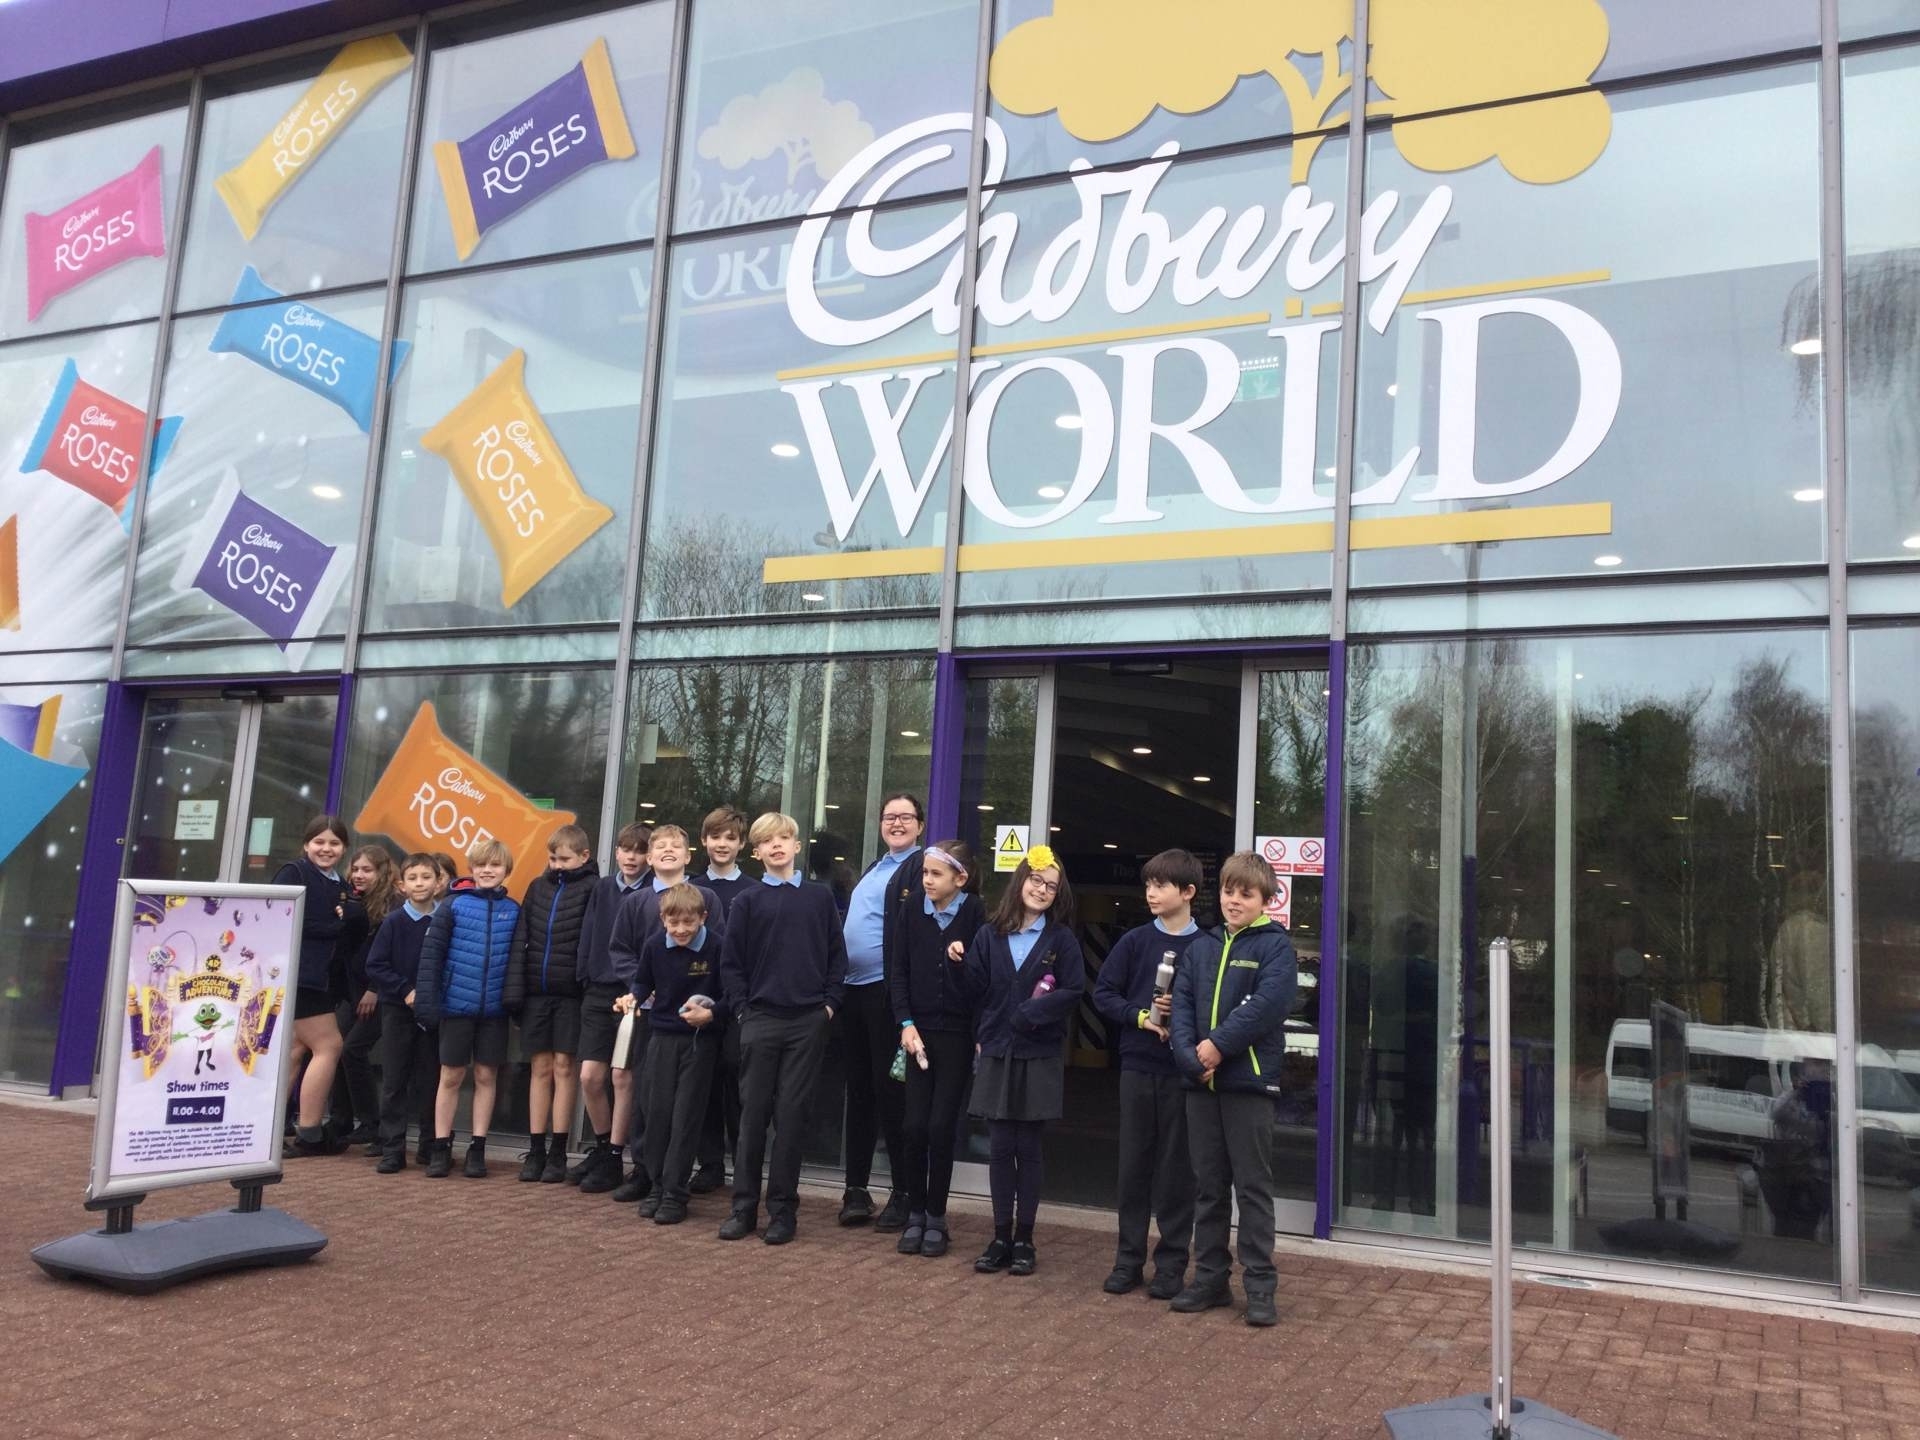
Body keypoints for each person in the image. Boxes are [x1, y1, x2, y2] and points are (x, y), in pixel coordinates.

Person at [1169, 851, 1297, 1328]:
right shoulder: (1202, 947)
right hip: (1201, 1085)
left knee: (1253, 1188)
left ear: (1265, 899)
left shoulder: (1275, 948)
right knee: (1208, 1187)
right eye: (1228, 891)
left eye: (1245, 893)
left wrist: (1216, 1047)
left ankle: (1260, 1287)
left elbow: (1267, 1005)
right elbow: (1182, 1005)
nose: (1234, 901)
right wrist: (1191, 1058)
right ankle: (1210, 1280)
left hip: (1248, 1085)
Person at [717, 811, 847, 1245]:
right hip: (759, 1020)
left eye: (783, 838)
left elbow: (837, 957)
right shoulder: (746, 901)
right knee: (752, 1118)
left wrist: (828, 1007)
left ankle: (783, 1211)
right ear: (756, 852)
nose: (776, 845)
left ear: (796, 846)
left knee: (791, 1119)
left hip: (807, 1022)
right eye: (767, 841)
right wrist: (742, 1011)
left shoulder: (819, 899)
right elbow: (731, 964)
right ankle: (742, 1208)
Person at [963, 846, 1085, 1278]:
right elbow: (974, 992)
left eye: (1051, 886)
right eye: (1036, 880)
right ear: (1020, 882)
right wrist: (959, 959)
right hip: (997, 1049)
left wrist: (1032, 1013)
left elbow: (1073, 990)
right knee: (1000, 1146)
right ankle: (1000, 1237)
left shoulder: (1062, 940)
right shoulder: (989, 934)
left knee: (1028, 1146)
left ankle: (1025, 1239)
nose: (1042, 890)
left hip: (1039, 1052)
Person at [1092, 848, 1206, 1298]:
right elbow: (1103, 994)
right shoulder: (1134, 941)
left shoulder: (1207, 947)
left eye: (1161, 885)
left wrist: (1184, 1012)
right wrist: (1140, 1017)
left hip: (1183, 1072)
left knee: (1178, 1171)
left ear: (1188, 891)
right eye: (1148, 885)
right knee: (1134, 1166)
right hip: (1138, 1065)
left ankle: (1172, 1266)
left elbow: (1217, 1008)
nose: (1151, 893)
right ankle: (1128, 1261)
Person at [607, 824, 726, 1201]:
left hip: (696, 1031)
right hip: (652, 1020)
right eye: (660, 846)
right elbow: (626, 957)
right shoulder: (637, 905)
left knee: (689, 1107)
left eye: (676, 845)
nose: (680, 928)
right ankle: (647, 1174)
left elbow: (721, 968)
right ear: (649, 856)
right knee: (651, 1103)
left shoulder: (706, 900)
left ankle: (681, 1181)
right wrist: (638, 992)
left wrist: (710, 1008)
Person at [887, 839, 984, 1258]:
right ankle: (915, 1212)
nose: (927, 880)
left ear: (960, 879)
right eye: (925, 872)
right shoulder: (912, 909)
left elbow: (983, 978)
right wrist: (905, 1023)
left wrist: (964, 962)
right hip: (919, 1033)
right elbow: (899, 970)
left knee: (942, 1127)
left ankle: (937, 1217)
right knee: (914, 1126)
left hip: (957, 1034)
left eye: (935, 874)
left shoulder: (975, 912)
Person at [835, 791, 925, 1230]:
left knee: (891, 1093)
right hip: (852, 992)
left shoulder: (920, 867)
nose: (896, 823)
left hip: (886, 995)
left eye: (905, 817)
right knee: (859, 1092)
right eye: (890, 816)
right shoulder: (876, 866)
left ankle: (904, 1192)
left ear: (920, 826)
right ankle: (856, 1189)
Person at [414, 839, 519, 1179]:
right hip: (456, 1006)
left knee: (487, 1077)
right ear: (471, 869)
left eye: (495, 865)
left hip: (494, 1012)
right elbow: (431, 957)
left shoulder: (513, 910)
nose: (488, 870)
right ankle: (440, 1146)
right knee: (451, 1076)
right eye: (481, 865)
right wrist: (429, 1004)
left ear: (506, 870)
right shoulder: (453, 905)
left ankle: (478, 1147)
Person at [505, 823, 599, 1184]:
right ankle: (536, 1149)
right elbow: (522, 938)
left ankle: (559, 1150)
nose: (557, 865)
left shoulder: (594, 888)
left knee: (564, 1067)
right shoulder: (537, 887)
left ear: (584, 856)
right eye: (553, 858)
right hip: (537, 992)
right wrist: (516, 992)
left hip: (571, 994)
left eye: (564, 859)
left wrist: (584, 985)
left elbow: (592, 940)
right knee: (540, 1067)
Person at [635, 883, 725, 1225]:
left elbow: (731, 995)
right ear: (663, 920)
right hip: (661, 1038)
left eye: (689, 922)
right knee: (656, 1114)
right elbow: (642, 983)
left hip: (699, 1042)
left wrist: (711, 1013)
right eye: (673, 923)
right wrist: (632, 997)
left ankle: (675, 1194)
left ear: (703, 917)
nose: (681, 930)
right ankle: (657, 1186)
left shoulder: (717, 946)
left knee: (685, 1117)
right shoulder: (654, 946)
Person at [572, 820, 650, 1190]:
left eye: (639, 851)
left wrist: (639, 989)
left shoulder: (652, 892)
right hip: (598, 990)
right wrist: (584, 975)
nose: (631, 857)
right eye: (625, 849)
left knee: (622, 1076)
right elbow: (588, 933)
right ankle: (603, 1148)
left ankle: (616, 1156)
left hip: (631, 994)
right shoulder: (603, 888)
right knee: (590, 1076)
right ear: (616, 852)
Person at [276, 815, 355, 1157]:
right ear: (306, 844)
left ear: (344, 848)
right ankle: (309, 1133)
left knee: (295, 1049)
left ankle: (267, 1130)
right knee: (329, 1045)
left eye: (334, 843)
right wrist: (335, 926)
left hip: (320, 978)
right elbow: (278, 916)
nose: (326, 849)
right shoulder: (294, 873)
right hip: (299, 975)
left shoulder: (341, 883)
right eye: (319, 842)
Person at [364, 853, 441, 1174]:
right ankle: (393, 1148)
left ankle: (429, 1146)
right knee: (395, 1080)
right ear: (401, 885)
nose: (419, 883)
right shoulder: (394, 922)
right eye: (413, 878)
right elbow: (376, 965)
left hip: (433, 1012)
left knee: (430, 1079)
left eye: (426, 877)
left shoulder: (444, 920)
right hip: (398, 1010)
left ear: (439, 883)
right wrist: (404, 990)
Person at [692, 805, 749, 1194]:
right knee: (705, 1085)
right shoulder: (691, 889)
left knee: (738, 1085)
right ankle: (709, 1164)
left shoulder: (754, 889)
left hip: (740, 1002)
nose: (722, 844)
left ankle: (743, 1163)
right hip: (701, 997)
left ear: (742, 844)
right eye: (715, 836)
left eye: (730, 837)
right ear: (704, 841)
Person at [333, 844, 393, 1148]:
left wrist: (374, 989)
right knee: (334, 1048)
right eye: (355, 869)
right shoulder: (351, 900)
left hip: (378, 993)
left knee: (353, 1049)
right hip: (350, 991)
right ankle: (340, 1119)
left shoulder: (392, 906)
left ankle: (371, 1122)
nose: (358, 875)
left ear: (381, 872)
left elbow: (390, 955)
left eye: (366, 870)